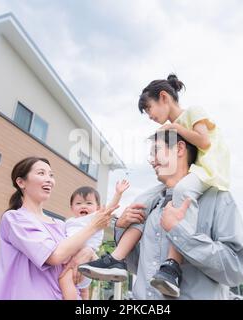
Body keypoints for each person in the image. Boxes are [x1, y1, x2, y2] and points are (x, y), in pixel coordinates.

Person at [79, 74, 231, 297]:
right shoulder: (175, 128)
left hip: (207, 172)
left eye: (150, 109)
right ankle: (116, 259)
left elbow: (205, 141)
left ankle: (172, 265)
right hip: (191, 174)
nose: (150, 116)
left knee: (179, 192)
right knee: (143, 202)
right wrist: (120, 224)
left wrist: (175, 129)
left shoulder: (192, 113)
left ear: (164, 97)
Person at [116, 130, 243, 299]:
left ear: (179, 149)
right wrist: (121, 228)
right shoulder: (151, 205)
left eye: (156, 151)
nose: (151, 161)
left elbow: (236, 269)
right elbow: (136, 266)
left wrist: (180, 233)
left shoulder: (218, 198)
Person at [0, 157, 117, 300]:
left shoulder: (61, 225)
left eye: (51, 175)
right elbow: (54, 256)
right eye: (41, 173)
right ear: (21, 182)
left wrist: (88, 251)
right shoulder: (15, 219)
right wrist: (94, 226)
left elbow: (78, 254)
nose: (49, 179)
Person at [59, 180, 130, 300]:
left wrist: (118, 193)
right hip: (72, 258)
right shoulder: (69, 222)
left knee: (64, 279)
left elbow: (109, 209)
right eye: (78, 203)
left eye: (88, 203)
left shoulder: (95, 218)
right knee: (84, 290)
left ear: (97, 207)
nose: (83, 206)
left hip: (87, 258)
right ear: (71, 207)